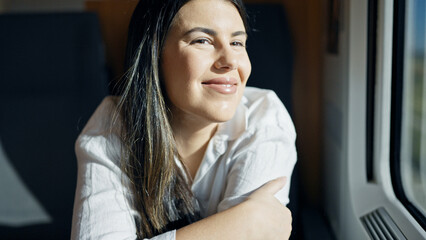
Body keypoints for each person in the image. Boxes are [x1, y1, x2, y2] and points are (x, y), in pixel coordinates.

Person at [71, 0, 297, 239]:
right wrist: (243, 225)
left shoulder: (263, 116)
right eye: (202, 41)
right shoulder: (112, 126)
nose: (231, 61)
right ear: (155, 54)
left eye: (237, 42)